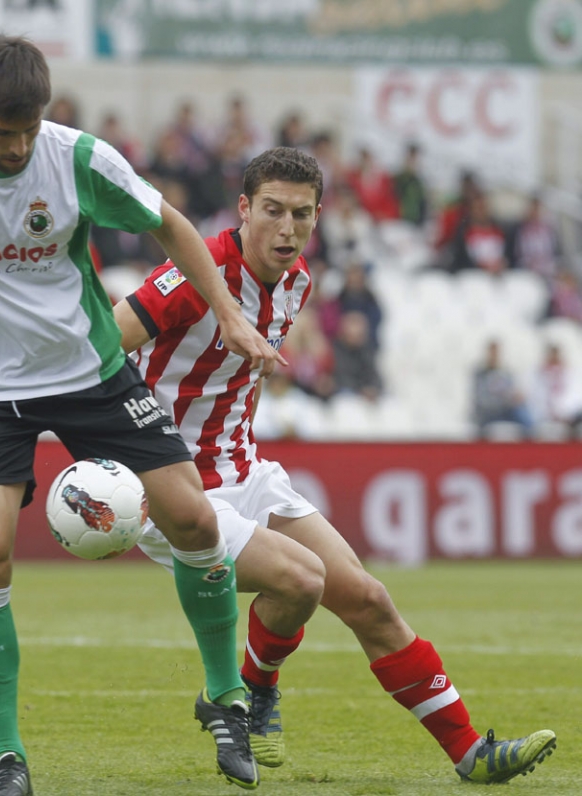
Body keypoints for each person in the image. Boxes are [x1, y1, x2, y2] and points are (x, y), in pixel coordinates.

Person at [0, 33, 282, 796]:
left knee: (194, 519)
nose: (19, 147)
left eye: (29, 129)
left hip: (92, 372)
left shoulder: (79, 159)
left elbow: (174, 226)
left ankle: (225, 697)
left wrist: (226, 312)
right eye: (1, 133)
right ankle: (7, 757)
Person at [114, 146, 557, 785]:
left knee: (369, 598)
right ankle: (244, 691)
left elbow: (238, 376)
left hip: (244, 469)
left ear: (319, 216)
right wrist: (115, 452)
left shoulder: (297, 282)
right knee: (302, 581)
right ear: (243, 208)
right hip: (172, 485)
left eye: (301, 214)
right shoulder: (194, 272)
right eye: (272, 211)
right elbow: (100, 346)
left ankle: (469, 754)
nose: (287, 229)